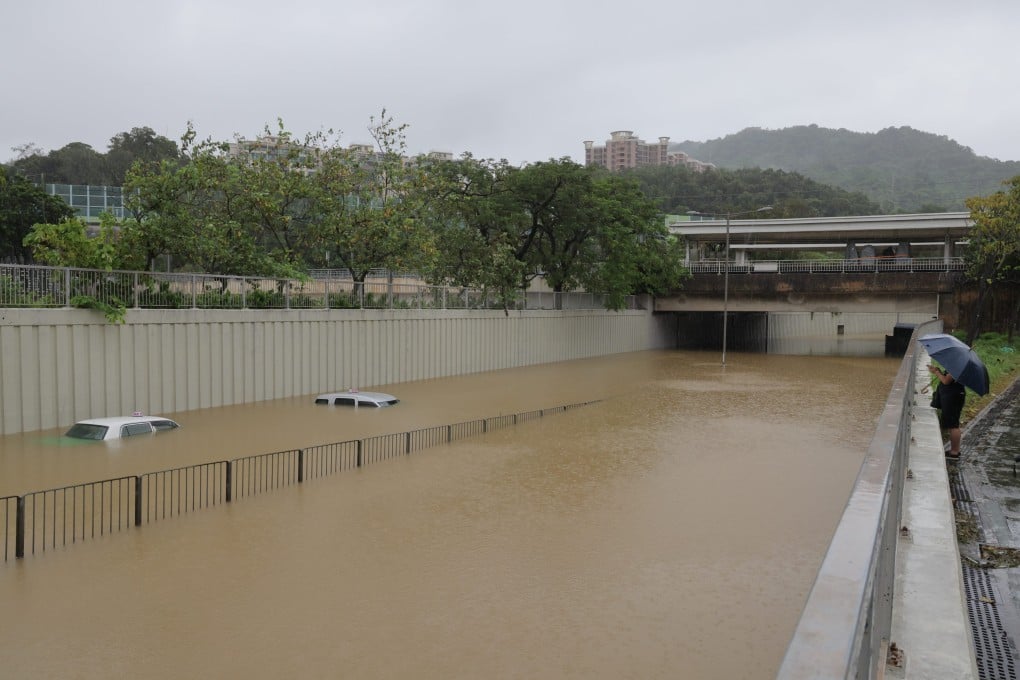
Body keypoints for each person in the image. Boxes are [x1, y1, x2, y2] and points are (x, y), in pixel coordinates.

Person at [929, 363, 966, 457]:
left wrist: (936, 372)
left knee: (953, 424)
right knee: (952, 423)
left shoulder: (957, 365)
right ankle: (954, 450)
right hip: (953, 395)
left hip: (953, 397)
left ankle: (954, 451)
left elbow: (946, 381)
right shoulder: (958, 363)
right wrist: (939, 371)